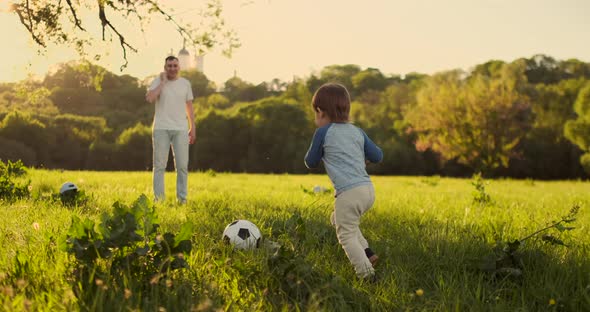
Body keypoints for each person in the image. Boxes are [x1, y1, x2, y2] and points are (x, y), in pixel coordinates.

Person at [304, 83, 383, 280]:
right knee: (339, 220)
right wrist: (362, 158)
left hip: (349, 193)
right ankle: (367, 253)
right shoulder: (357, 131)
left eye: (315, 113)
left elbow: (310, 162)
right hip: (368, 190)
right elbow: (378, 156)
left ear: (320, 111)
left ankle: (367, 276)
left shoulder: (323, 132)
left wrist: (322, 151)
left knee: (345, 235)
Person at [146, 56, 195, 204]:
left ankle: (182, 200)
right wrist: (162, 83)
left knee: (182, 166)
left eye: (175, 66)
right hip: (161, 128)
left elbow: (189, 107)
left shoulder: (185, 84)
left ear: (179, 67)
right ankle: (159, 200)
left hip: (180, 129)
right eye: (169, 66)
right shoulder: (158, 81)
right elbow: (150, 98)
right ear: (165, 67)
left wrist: (192, 127)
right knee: (159, 166)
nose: (172, 69)